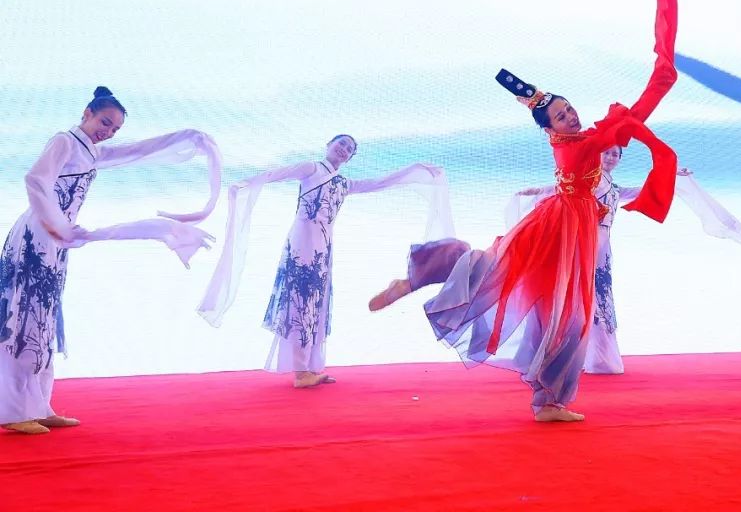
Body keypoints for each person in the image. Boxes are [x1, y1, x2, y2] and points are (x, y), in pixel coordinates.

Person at [368, 0, 679, 422]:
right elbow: (628, 120)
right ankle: (423, 277)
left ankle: (546, 398)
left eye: (569, 107)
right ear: (550, 127)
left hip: (568, 225)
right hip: (561, 229)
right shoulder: (580, 144)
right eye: (560, 114)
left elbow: (597, 125)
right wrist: (660, 75)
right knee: (551, 304)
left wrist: (535, 96)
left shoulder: (571, 139)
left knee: (543, 303)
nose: (570, 114)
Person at [1, 87, 220, 434]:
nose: (109, 132)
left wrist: (187, 137)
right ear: (87, 113)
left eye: (115, 128)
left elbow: (136, 151)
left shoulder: (90, 151)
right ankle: (15, 411)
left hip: (56, 239)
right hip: (37, 236)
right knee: (26, 320)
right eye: (105, 122)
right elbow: (35, 180)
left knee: (44, 321)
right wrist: (58, 224)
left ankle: (38, 405)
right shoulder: (64, 141)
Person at [197, 135, 453, 388]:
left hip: (322, 249)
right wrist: (244, 184)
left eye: (349, 149)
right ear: (328, 145)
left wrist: (416, 170)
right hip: (302, 245)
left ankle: (307, 368)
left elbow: (379, 182)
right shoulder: (311, 169)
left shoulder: (344, 183)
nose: (344, 149)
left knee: (314, 306)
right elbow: (277, 174)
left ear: (350, 158)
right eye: (341, 143)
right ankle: (301, 373)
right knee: (301, 302)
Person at [511, 146, 741, 374]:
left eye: (615, 154)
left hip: (601, 246)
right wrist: (535, 191)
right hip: (583, 243)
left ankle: (592, 357)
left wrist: (673, 176)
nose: (611, 157)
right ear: (597, 156)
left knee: (597, 298)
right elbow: (563, 189)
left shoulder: (613, 188)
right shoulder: (590, 179)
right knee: (582, 297)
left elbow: (643, 191)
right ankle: (568, 357)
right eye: (606, 153)